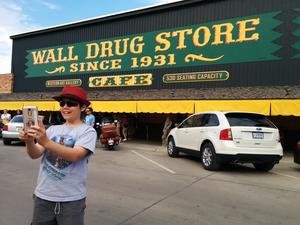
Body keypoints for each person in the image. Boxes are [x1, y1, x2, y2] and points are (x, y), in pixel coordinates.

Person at [19, 86, 97, 225]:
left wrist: (46, 141)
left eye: (71, 103)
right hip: (43, 196)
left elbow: (75, 155)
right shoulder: (53, 129)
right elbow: (35, 154)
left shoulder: (88, 131)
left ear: (83, 107)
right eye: (62, 103)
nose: (65, 107)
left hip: (71, 200)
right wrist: (29, 141)